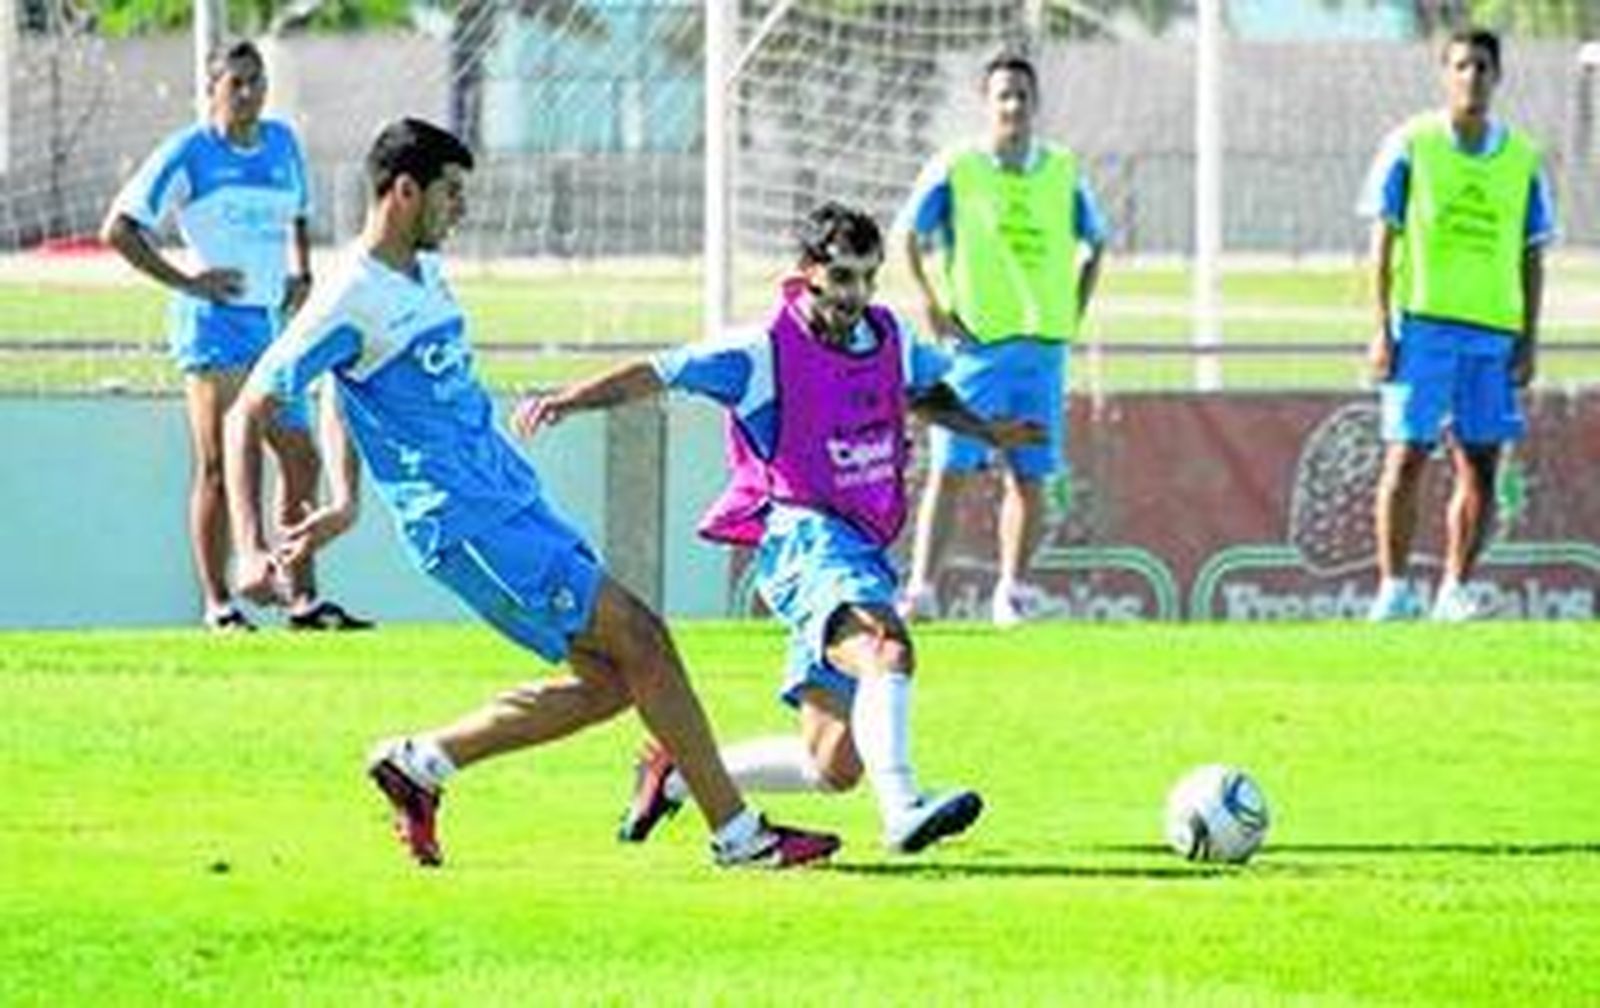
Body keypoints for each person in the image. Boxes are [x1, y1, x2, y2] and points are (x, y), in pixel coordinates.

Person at [223, 117, 839, 871]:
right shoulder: (348, 293)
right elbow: (248, 406)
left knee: (615, 680)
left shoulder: (419, 273)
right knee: (643, 636)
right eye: (451, 193)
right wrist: (250, 547)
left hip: (512, 499)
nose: (462, 209)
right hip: (467, 522)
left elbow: (342, 385)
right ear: (405, 191)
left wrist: (347, 496)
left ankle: (423, 765)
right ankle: (739, 836)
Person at [515, 202, 1041, 853]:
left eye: (868, 278)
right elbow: (662, 370)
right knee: (887, 649)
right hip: (805, 539)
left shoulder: (890, 338)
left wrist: (988, 431)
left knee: (833, 765)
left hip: (859, 549)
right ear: (808, 271)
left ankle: (676, 772)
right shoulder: (761, 352)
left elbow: (923, 390)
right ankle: (903, 807)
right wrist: (570, 400)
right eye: (843, 277)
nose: (857, 295)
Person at [101, 38, 369, 633]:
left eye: (257, 81)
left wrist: (301, 272)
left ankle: (303, 598)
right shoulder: (189, 152)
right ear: (213, 88)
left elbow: (298, 212)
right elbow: (118, 229)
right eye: (237, 83)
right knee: (220, 464)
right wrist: (187, 281)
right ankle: (220, 603)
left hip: (273, 327)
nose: (249, 93)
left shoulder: (282, 143)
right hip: (214, 326)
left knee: (299, 455)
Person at [894, 48, 1108, 627]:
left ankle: (1011, 592)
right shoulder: (958, 167)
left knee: (1030, 476)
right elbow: (911, 234)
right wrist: (932, 303)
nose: (1012, 105)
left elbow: (1098, 242)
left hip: (1041, 354)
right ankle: (922, 589)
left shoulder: (1062, 170)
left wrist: (1072, 310)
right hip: (975, 351)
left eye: (1021, 95)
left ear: (1035, 104)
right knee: (951, 469)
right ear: (986, 104)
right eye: (1002, 95)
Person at [1359, 27, 1555, 622]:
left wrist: (1528, 339)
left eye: (1482, 68)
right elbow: (1382, 240)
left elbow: (1532, 254)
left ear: (1498, 77)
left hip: (1491, 333)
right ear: (1445, 75)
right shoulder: (1411, 145)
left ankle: (1454, 591)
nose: (1471, 78)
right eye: (1461, 67)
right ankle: (1393, 589)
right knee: (1407, 455)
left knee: (1481, 464)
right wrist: (1379, 327)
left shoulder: (1522, 159)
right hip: (1421, 326)